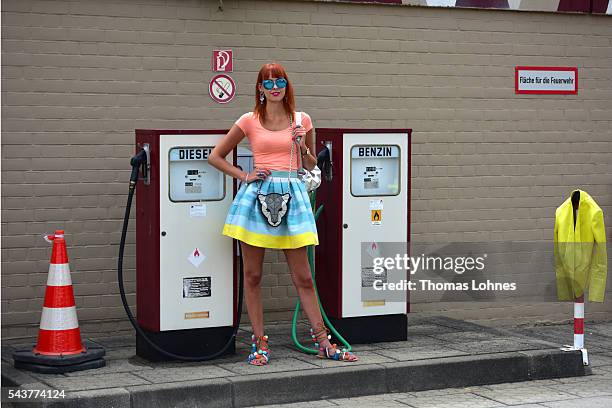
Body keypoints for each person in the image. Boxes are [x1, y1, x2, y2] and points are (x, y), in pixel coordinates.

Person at [208, 62, 358, 365]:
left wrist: (302, 145)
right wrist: (243, 174)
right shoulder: (249, 120)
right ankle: (260, 344)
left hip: (293, 197)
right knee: (252, 275)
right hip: (257, 198)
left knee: (303, 275)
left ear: (287, 86)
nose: (275, 87)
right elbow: (215, 156)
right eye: (268, 82)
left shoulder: (302, 120)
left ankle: (322, 342)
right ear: (260, 89)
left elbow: (310, 166)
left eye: (280, 82)